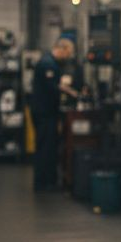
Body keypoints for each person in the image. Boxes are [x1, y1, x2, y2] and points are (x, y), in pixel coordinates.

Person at [29, 37, 78, 192]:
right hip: (44, 112)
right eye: (67, 53)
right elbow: (52, 87)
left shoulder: (51, 63)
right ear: (61, 49)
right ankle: (43, 183)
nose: (68, 57)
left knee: (49, 146)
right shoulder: (47, 64)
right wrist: (70, 92)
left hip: (47, 111)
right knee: (45, 147)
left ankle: (48, 180)